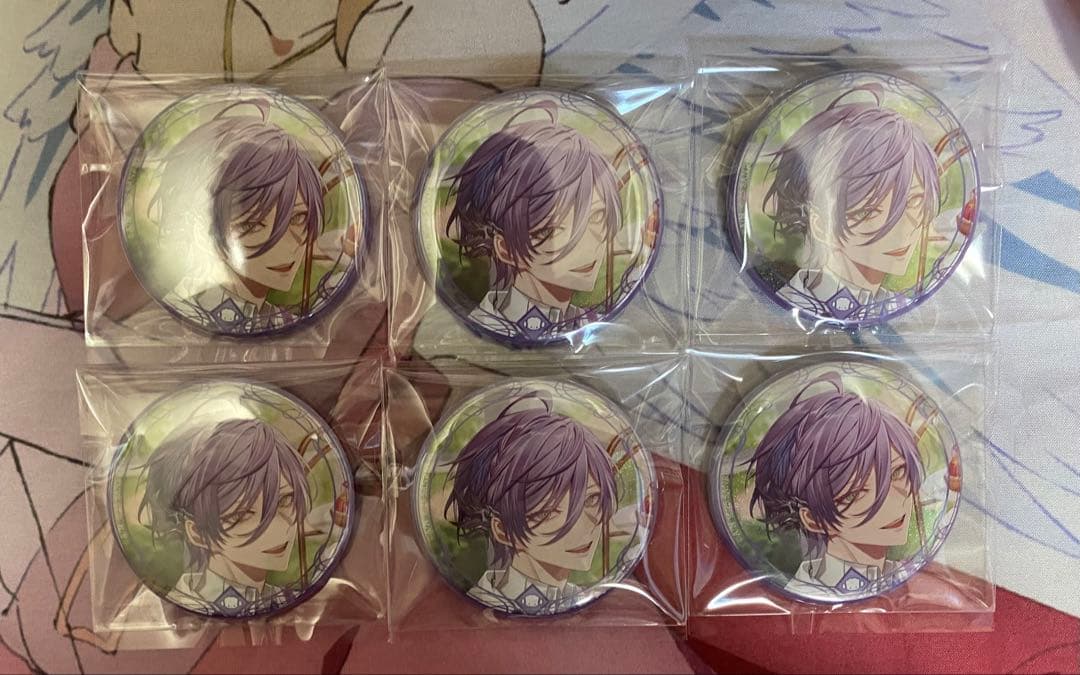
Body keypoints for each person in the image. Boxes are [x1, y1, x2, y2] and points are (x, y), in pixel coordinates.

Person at [762, 85, 942, 321]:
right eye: (871, 210)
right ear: (820, 224)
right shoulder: (785, 308)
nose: (902, 229)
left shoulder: (902, 311)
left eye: (915, 201)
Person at [445, 106, 622, 341]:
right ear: (505, 249)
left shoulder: (592, 324)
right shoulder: (482, 326)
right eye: (553, 229)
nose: (588, 245)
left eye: (597, 217)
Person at [746, 373, 925, 598]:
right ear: (812, 519)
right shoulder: (803, 593)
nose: (892, 502)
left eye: (897, 472)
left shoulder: (910, 579)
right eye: (855, 494)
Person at [443, 395, 622, 615]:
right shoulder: (478, 603)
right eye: (549, 512)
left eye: (592, 499)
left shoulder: (583, 598)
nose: (582, 526)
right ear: (502, 530)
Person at [138, 418, 312, 617]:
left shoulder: (296, 604)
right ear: (197, 533)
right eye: (243, 514)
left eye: (284, 501)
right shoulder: (165, 612)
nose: (277, 527)